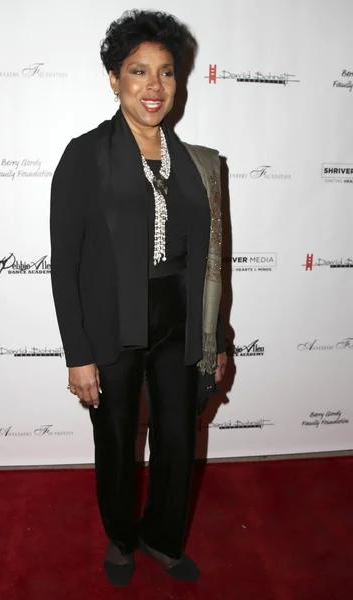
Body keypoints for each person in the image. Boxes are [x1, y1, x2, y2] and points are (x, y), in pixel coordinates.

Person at [50, 9, 227, 587]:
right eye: (138, 71)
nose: (154, 87)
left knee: (178, 438)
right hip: (111, 323)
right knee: (119, 441)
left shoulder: (200, 165)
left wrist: (216, 338)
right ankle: (122, 537)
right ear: (114, 79)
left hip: (177, 319)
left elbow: (208, 264)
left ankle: (163, 536)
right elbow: (65, 264)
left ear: (178, 82)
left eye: (167, 73)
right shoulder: (84, 156)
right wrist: (78, 354)